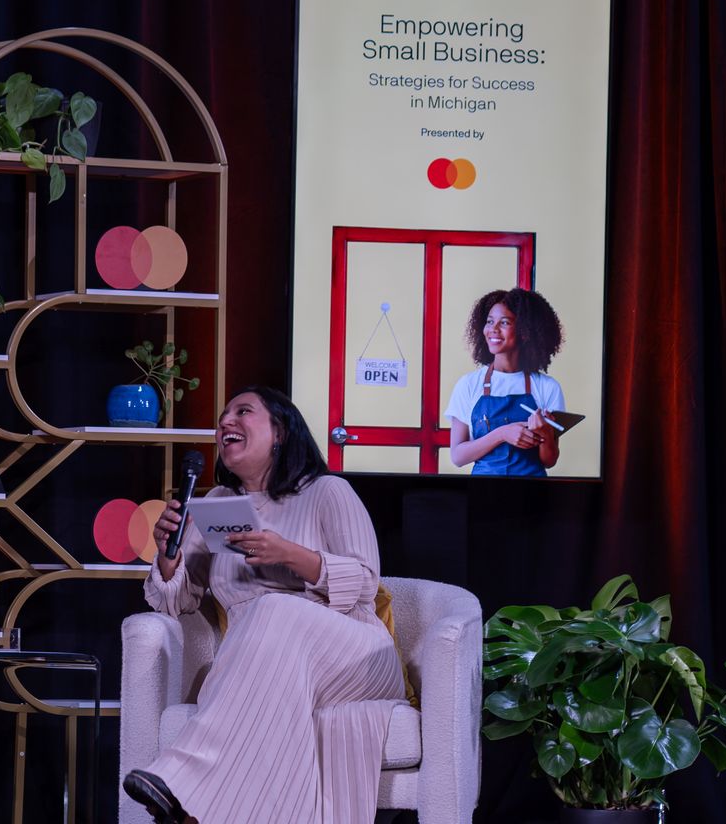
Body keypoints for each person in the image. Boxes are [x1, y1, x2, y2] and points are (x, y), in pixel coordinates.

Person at [122, 386, 407, 824]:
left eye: (243, 412)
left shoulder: (328, 491)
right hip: (262, 666)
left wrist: (287, 553)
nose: (226, 422)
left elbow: (367, 582)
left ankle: (181, 781)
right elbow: (176, 601)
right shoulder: (218, 503)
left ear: (280, 432)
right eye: (223, 416)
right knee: (263, 620)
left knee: (273, 608)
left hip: (355, 656)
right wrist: (167, 555)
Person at [444, 287, 566, 476]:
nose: (493, 329)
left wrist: (545, 434)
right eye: (490, 321)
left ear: (525, 331)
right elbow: (458, 456)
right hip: (484, 490)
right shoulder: (468, 385)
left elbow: (549, 461)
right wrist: (501, 434)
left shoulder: (547, 387)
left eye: (504, 322)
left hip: (532, 491)